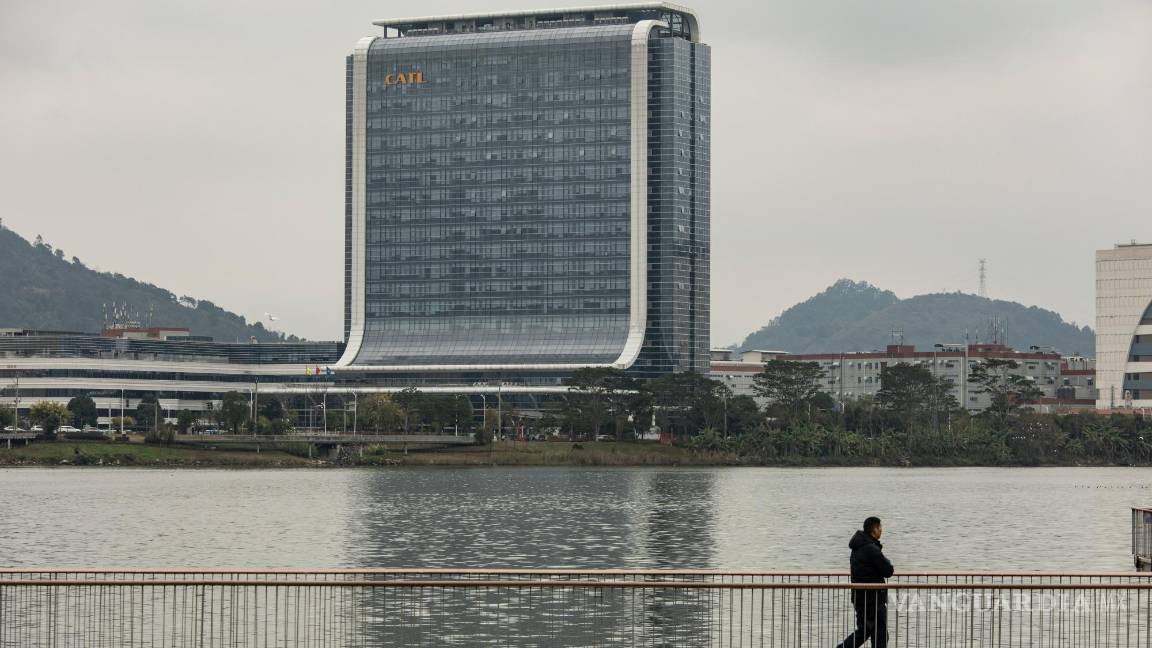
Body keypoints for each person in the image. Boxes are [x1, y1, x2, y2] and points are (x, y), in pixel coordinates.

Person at [837, 516, 894, 648]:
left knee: (869, 631)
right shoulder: (871, 549)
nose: (881, 530)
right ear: (874, 529)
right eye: (880, 527)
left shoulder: (857, 547)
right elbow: (888, 570)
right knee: (877, 634)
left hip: (861, 597)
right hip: (872, 599)